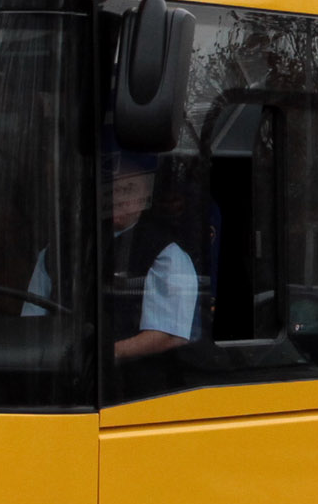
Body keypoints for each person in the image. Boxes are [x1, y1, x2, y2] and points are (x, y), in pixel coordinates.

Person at [28, 149, 200, 367]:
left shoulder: (166, 254)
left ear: (146, 195)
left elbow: (169, 334)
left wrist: (102, 355)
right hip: (57, 375)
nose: (118, 197)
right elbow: (31, 323)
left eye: (128, 189)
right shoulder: (57, 251)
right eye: (111, 188)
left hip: (137, 386)